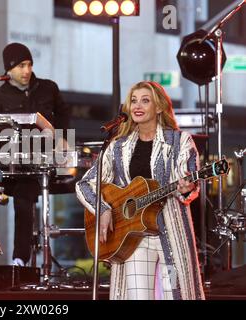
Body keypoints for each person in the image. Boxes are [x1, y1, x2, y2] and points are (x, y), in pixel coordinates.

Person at [76, 81, 205, 300]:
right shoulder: (118, 146)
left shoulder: (179, 141)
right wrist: (104, 209)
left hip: (172, 235)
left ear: (159, 107)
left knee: (176, 291)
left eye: (145, 101)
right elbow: (85, 184)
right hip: (134, 238)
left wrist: (187, 187)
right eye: (134, 100)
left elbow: (189, 179)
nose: (138, 105)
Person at [0, 43, 70, 267]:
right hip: (11, 166)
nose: (26, 70)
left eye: (29, 64)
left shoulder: (48, 88)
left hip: (43, 166)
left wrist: (62, 138)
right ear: (8, 69)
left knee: (24, 200)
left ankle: (19, 259)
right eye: (21, 65)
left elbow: (63, 115)